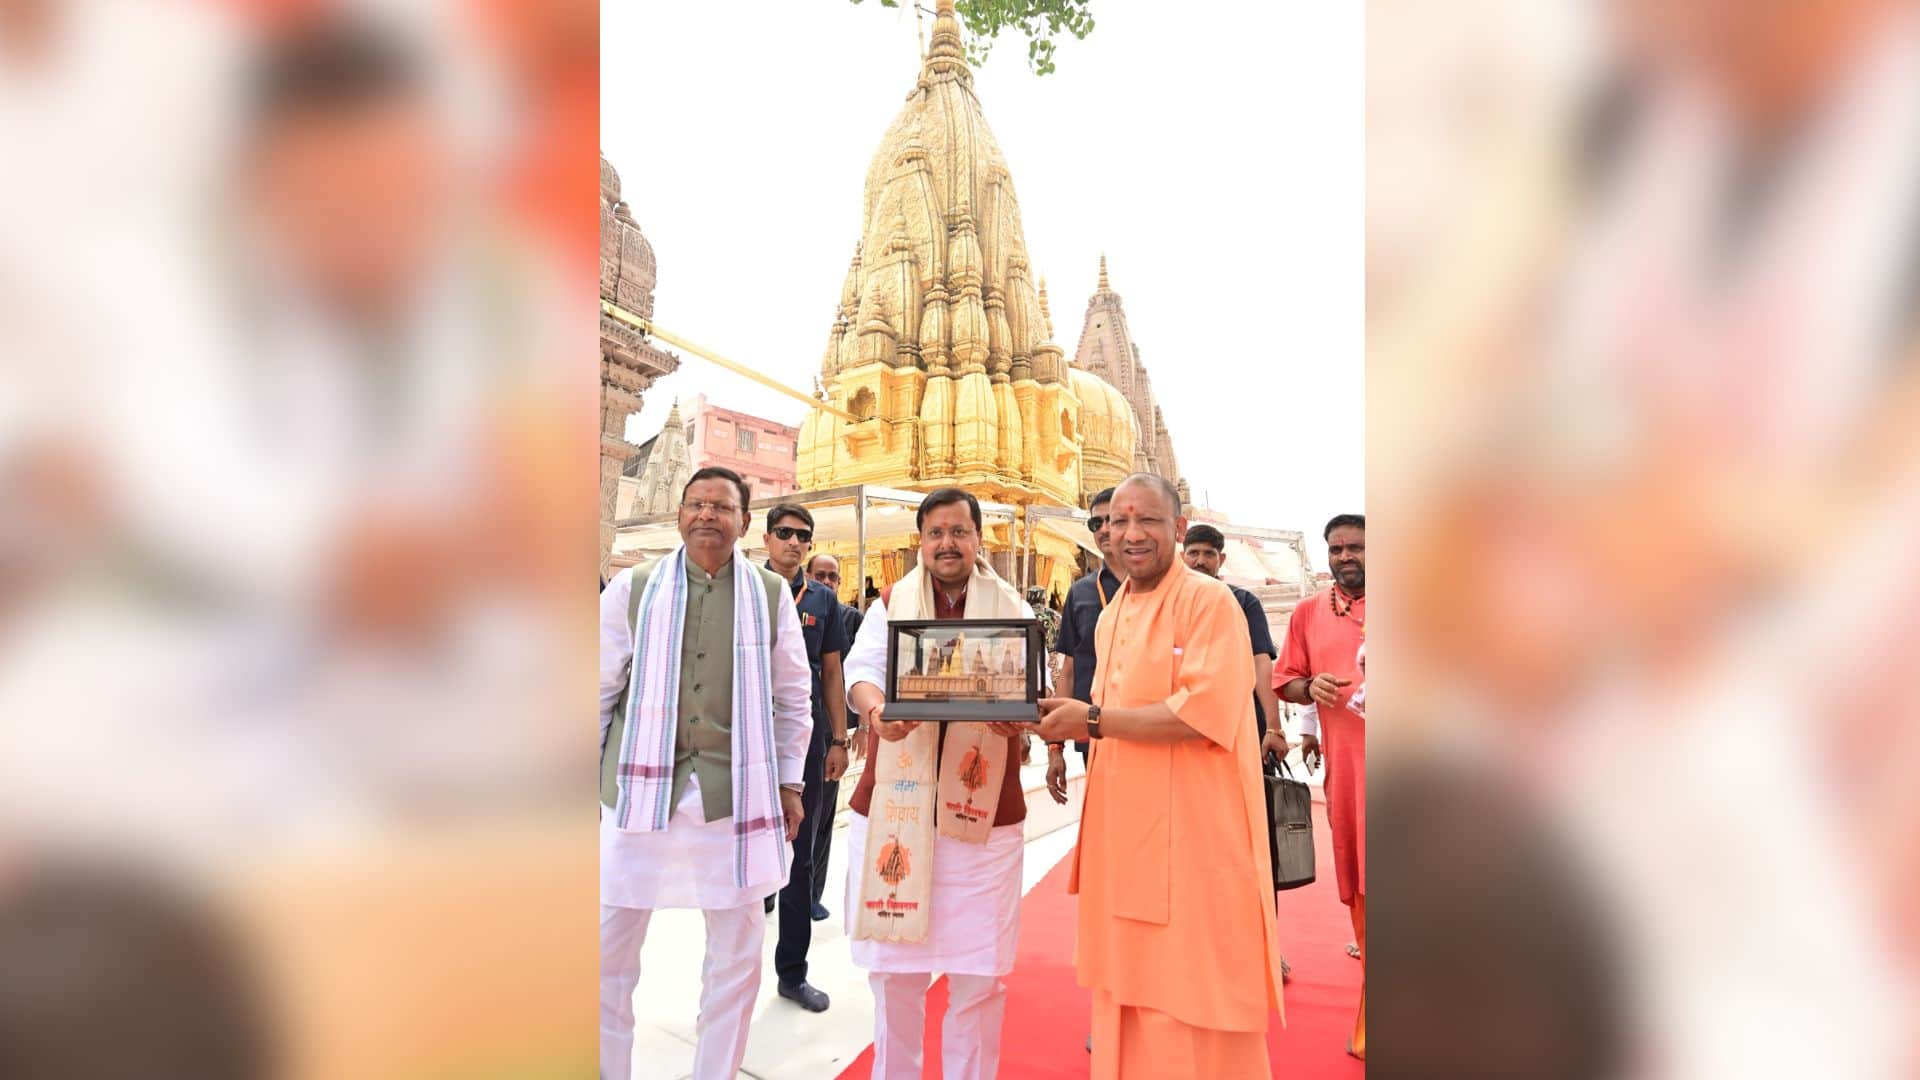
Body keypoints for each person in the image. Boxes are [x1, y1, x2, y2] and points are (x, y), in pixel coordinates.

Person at [1038, 473, 1283, 1078]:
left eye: (1146, 520)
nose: (1130, 534)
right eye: (1117, 522)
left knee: (1192, 990)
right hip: (1127, 839)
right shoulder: (1113, 609)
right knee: (1129, 983)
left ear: (1177, 527)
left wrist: (1092, 721)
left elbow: (1205, 714)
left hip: (1194, 841)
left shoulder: (1208, 600)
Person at [599, 467, 813, 1079]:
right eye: (696, 504)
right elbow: (594, 688)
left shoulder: (768, 596)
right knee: (605, 959)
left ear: (746, 522)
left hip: (735, 799)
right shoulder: (634, 588)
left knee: (737, 961)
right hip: (637, 794)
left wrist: (790, 783)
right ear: (679, 515)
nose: (706, 516)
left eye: (722, 507)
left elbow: (793, 699)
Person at [841, 487, 1062, 1080]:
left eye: (959, 532)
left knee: (977, 975)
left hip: (983, 824)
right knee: (895, 976)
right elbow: (860, 673)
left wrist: (1015, 713)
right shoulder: (891, 602)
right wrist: (876, 709)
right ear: (921, 542)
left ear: (977, 539)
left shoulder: (1012, 608)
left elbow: (1032, 688)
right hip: (896, 804)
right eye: (936, 533)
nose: (947, 544)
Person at [1181, 523, 1292, 983]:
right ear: (1182, 556)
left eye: (1209, 553)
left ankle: (1266, 950)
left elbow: (1260, 666)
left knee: (1250, 848)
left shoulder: (1242, 603)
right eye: (1194, 553)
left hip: (1239, 739)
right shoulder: (1171, 605)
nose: (1201, 560)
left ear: (1222, 560)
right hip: (1184, 743)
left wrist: (1272, 726)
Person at [1275, 512, 1366, 1059]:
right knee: (1363, 887)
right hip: (1350, 778)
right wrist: (1313, 686)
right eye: (1336, 549)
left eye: (1355, 547)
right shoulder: (1310, 613)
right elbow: (1283, 681)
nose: (1345, 556)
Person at [761, 505, 849, 1012]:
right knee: (740, 850)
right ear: (768, 539)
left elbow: (833, 672)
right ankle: (730, 972)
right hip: (749, 737)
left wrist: (839, 739)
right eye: (785, 534)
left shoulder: (823, 600)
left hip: (807, 739)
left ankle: (792, 974)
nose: (794, 543)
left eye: (803, 536)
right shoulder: (748, 588)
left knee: (800, 857)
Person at [1047, 486, 1119, 802]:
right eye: (1095, 523)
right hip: (1093, 731)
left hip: (1151, 730)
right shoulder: (1081, 592)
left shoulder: (1160, 587)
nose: (1103, 529)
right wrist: (1054, 747)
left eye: (1112, 520)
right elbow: (1070, 671)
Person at [807, 551, 863, 921]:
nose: (827, 583)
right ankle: (767, 892)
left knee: (822, 817)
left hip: (829, 732)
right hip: (788, 729)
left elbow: (854, 674)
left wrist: (854, 731)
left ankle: (813, 892)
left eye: (834, 578)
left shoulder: (849, 619)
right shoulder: (788, 609)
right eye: (821, 576)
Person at [1028, 585, 1060, 650]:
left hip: (1029, 655)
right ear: (1043, 599)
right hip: (1051, 657)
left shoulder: (1023, 612)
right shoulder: (1054, 615)